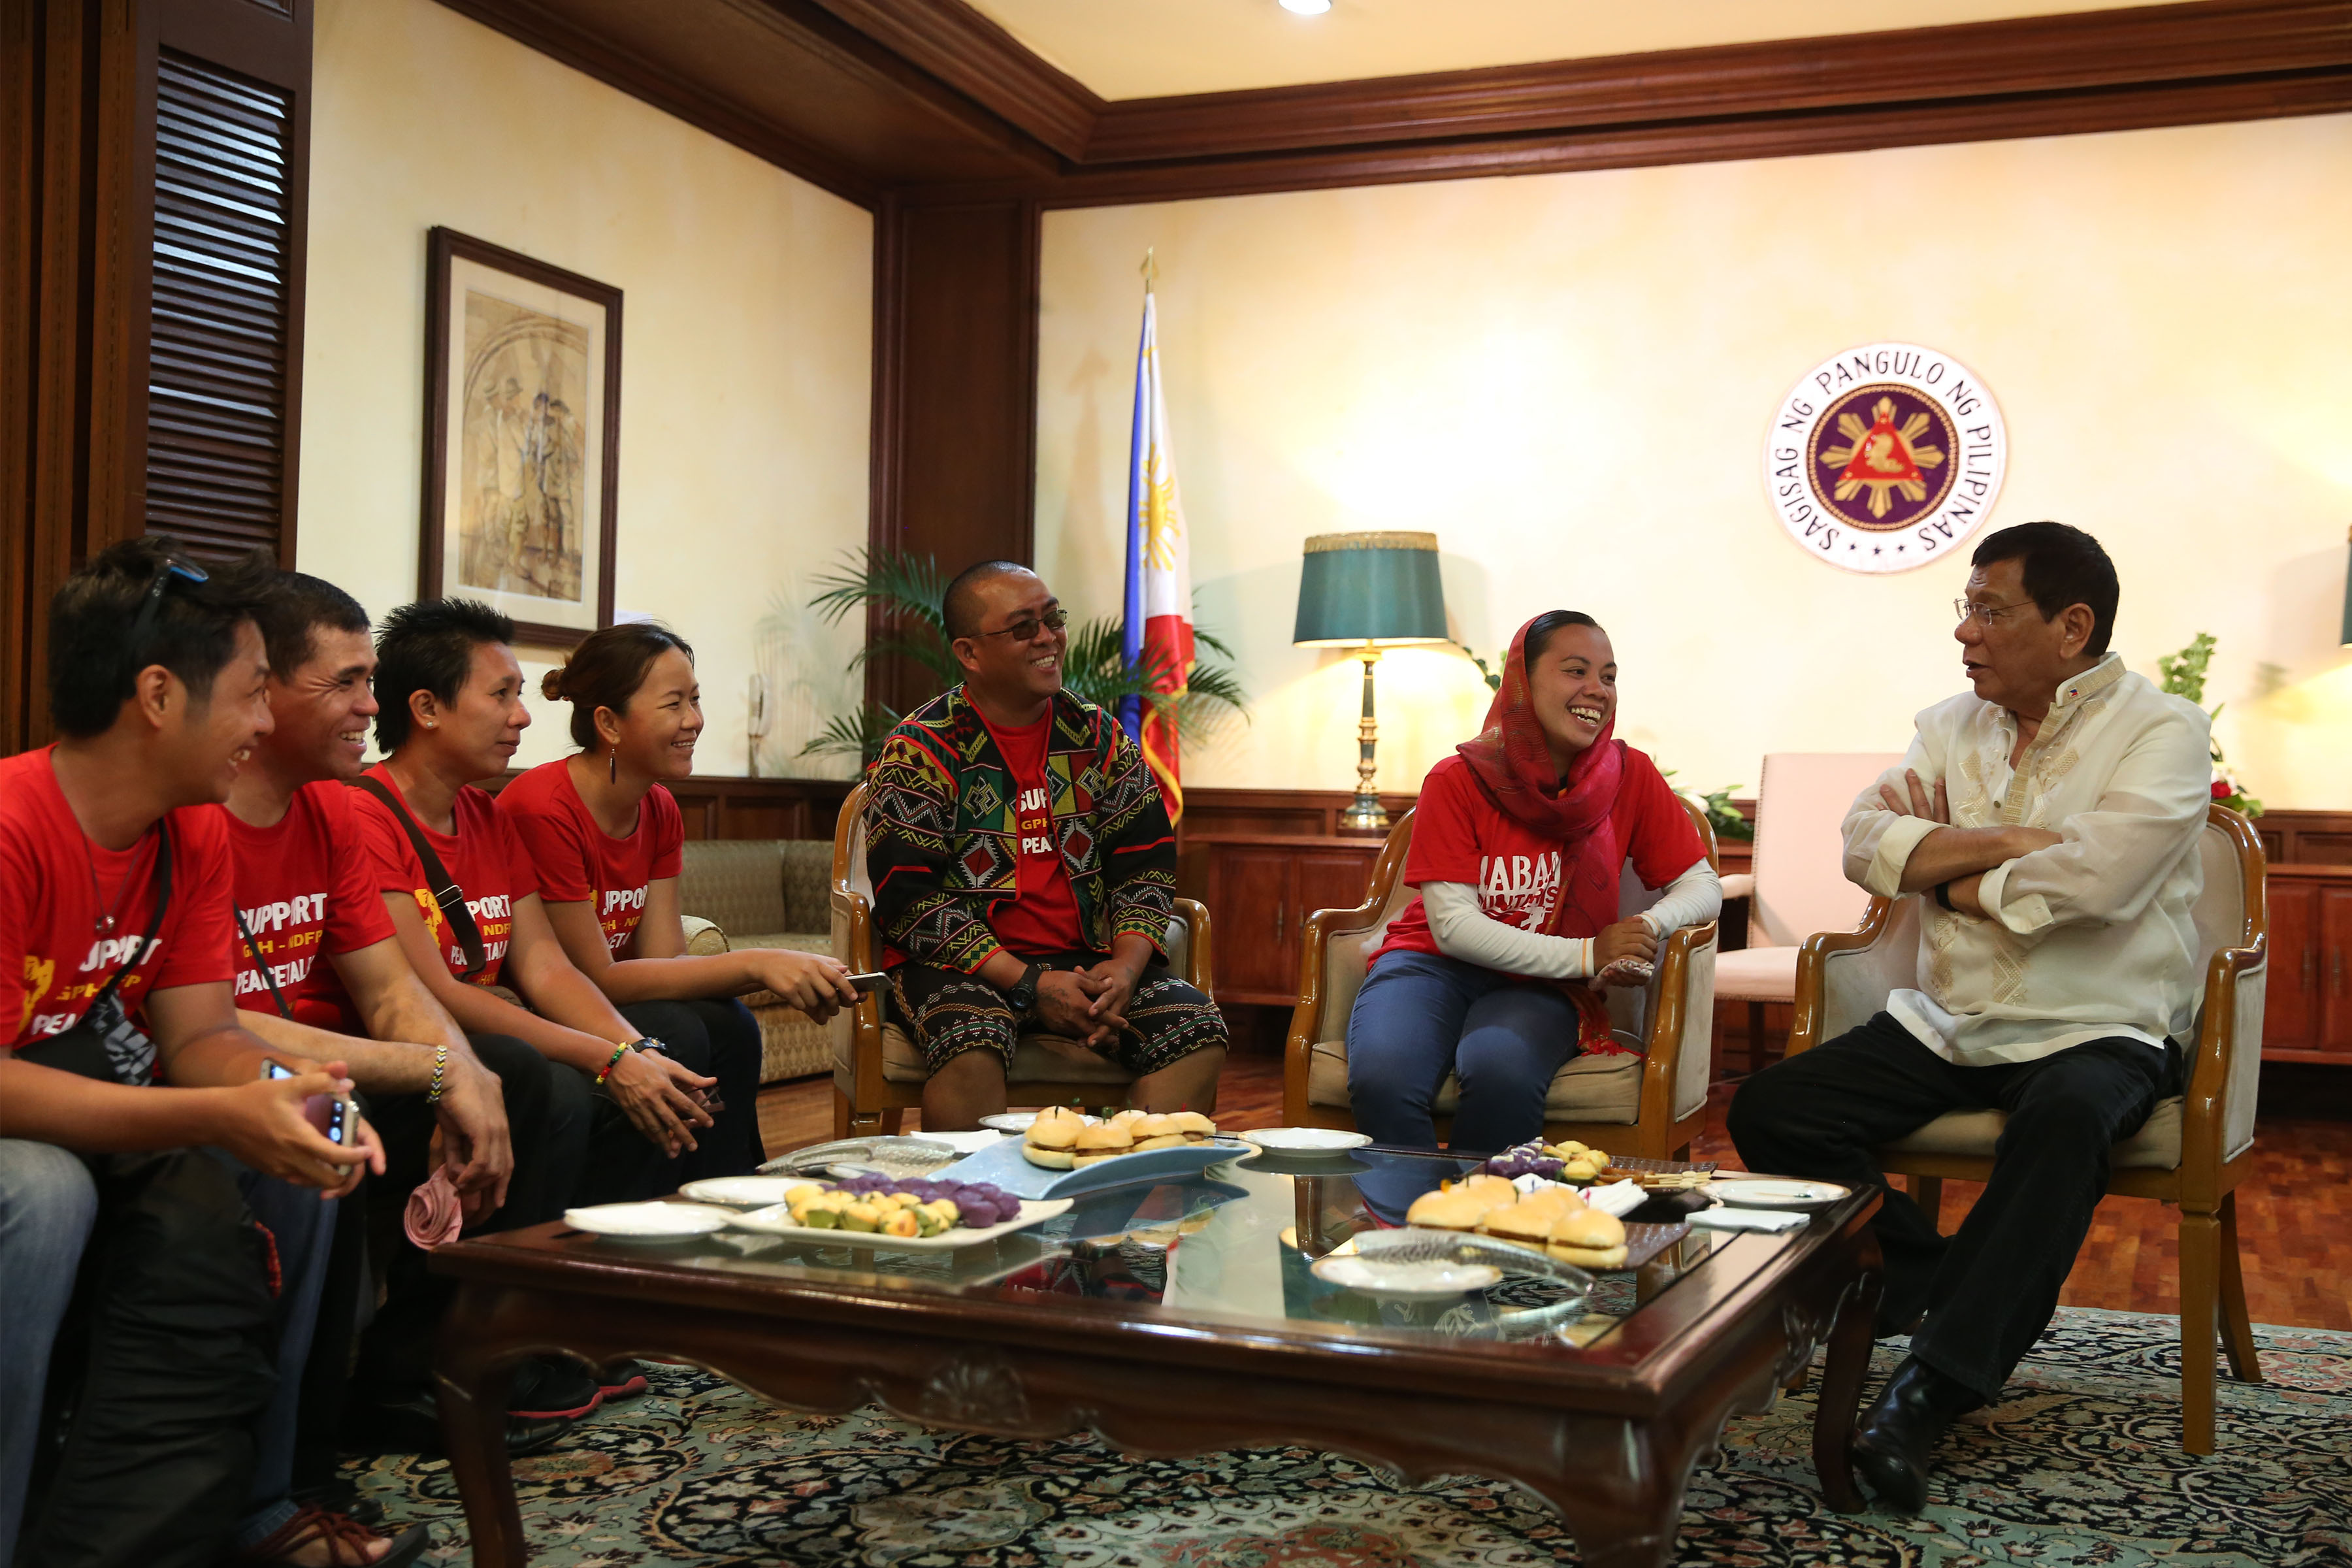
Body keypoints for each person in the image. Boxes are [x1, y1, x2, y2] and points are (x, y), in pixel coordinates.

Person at [1728, 521, 2210, 1513]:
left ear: (2071, 626)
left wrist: (1946, 877)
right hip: (1951, 1021)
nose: (1966, 633)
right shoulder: (1950, 724)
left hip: (2101, 1021)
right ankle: (1944, 1285)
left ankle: (1927, 1394)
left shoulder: (2164, 733)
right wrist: (2003, 840)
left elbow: (2098, 882)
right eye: (1967, 608)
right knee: (1773, 1109)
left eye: (1991, 610)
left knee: (2067, 1119)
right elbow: (1865, 843)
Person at [0, 540, 387, 1568]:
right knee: (40, 1195)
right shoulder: (11, 827)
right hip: (23, 1124)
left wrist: (284, 1091)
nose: (265, 725)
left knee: (305, 1157)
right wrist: (217, 1112)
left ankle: (259, 1504)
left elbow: (204, 1038)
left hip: (89, 1091)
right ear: (159, 695)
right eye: (254, 695)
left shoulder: (191, 831)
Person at [224, 571, 597, 1448]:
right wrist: (440, 1067)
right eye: (348, 684)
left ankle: (439, 1359)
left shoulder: (327, 810)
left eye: (371, 680)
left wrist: (459, 1073)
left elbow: (394, 988)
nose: (371, 703)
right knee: (489, 1077)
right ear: (260, 692)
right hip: (256, 1073)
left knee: (518, 1079)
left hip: (343, 1061)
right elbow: (204, 1026)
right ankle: (314, 1443)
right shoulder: (216, 817)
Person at [348, 598, 736, 1209]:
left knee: (671, 1048)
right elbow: (432, 994)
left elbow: (546, 965)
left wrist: (630, 1052)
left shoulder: (484, 813)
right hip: (418, 1042)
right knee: (552, 1082)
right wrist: (607, 1059)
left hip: (493, 1029)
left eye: (520, 694)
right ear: (426, 708)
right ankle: (526, 1275)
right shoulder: (365, 817)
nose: (523, 717)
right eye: (501, 695)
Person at [864, 561, 1229, 1131]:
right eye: (1022, 627)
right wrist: (1030, 984)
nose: (1047, 638)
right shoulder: (923, 749)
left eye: (1052, 618)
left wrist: (1123, 972)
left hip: (1085, 960)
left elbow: (1146, 869)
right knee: (972, 1037)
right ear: (969, 653)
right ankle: (976, 1210)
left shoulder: (1098, 738)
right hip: (966, 967)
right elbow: (909, 900)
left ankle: (1120, 1196)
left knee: (1195, 1029)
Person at [1344, 612, 1721, 1154]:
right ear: (1523, 682)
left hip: (1542, 989)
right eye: (1576, 671)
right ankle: (1408, 1229)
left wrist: (1645, 924)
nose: (1597, 690)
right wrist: (1591, 954)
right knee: (1384, 1077)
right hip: (1432, 965)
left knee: (1501, 1072)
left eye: (1609, 677)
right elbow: (1452, 928)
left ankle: (1487, 1227)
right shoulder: (1459, 778)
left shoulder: (1629, 776)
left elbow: (1702, 884)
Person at [502, 622, 855, 1180]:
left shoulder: (660, 806)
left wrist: (757, 971)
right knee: (682, 1028)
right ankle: (649, 1207)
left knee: (731, 1022)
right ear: (609, 724)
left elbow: (665, 958)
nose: (694, 720)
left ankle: (726, 1192)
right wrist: (757, 962)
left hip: (616, 996)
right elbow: (596, 976)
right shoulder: (543, 807)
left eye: (695, 699)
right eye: (674, 704)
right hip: (554, 1004)